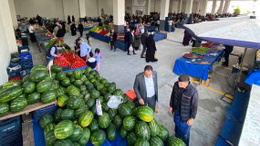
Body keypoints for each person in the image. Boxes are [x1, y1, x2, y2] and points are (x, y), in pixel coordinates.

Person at [169, 74, 198, 146]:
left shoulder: (193, 92)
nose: (179, 84)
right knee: (177, 128)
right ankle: (177, 141)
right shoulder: (176, 85)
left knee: (185, 133)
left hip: (185, 117)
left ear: (187, 83)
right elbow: (172, 96)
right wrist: (171, 106)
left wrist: (191, 118)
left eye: (181, 83)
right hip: (176, 112)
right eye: (178, 82)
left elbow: (194, 106)